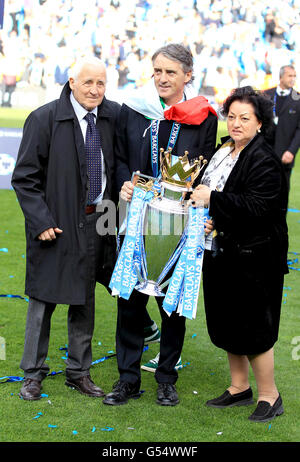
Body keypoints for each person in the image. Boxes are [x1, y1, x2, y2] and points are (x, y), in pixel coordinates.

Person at [103, 43, 218, 407]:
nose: (162, 78)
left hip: (178, 221)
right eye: (157, 71)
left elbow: (203, 168)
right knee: (130, 298)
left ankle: (167, 377)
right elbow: (120, 157)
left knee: (173, 300)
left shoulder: (204, 116)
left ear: (188, 75)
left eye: (170, 72)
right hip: (135, 215)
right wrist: (124, 182)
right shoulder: (133, 109)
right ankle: (128, 379)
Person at [11, 56, 120, 401]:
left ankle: (78, 372)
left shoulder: (111, 117)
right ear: (72, 81)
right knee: (43, 300)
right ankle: (33, 373)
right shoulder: (44, 118)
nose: (95, 90)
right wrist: (41, 222)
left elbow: (113, 173)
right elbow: (24, 179)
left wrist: (112, 224)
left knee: (84, 300)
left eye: (101, 83)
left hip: (97, 221)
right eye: (88, 82)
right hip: (54, 225)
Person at [191, 86, 288, 423]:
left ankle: (269, 395)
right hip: (221, 250)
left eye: (244, 118)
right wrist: (209, 217)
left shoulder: (265, 159)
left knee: (254, 327)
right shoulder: (223, 150)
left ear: (260, 123)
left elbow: (260, 208)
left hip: (255, 257)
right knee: (227, 320)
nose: (235, 123)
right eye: (231, 116)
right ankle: (239, 387)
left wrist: (213, 201)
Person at [264, 65, 300, 194]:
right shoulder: (266, 94)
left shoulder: (298, 98)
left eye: (294, 76)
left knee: (281, 192)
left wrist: (291, 151)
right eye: (290, 76)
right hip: (263, 153)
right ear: (281, 77)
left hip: (285, 155)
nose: (293, 79)